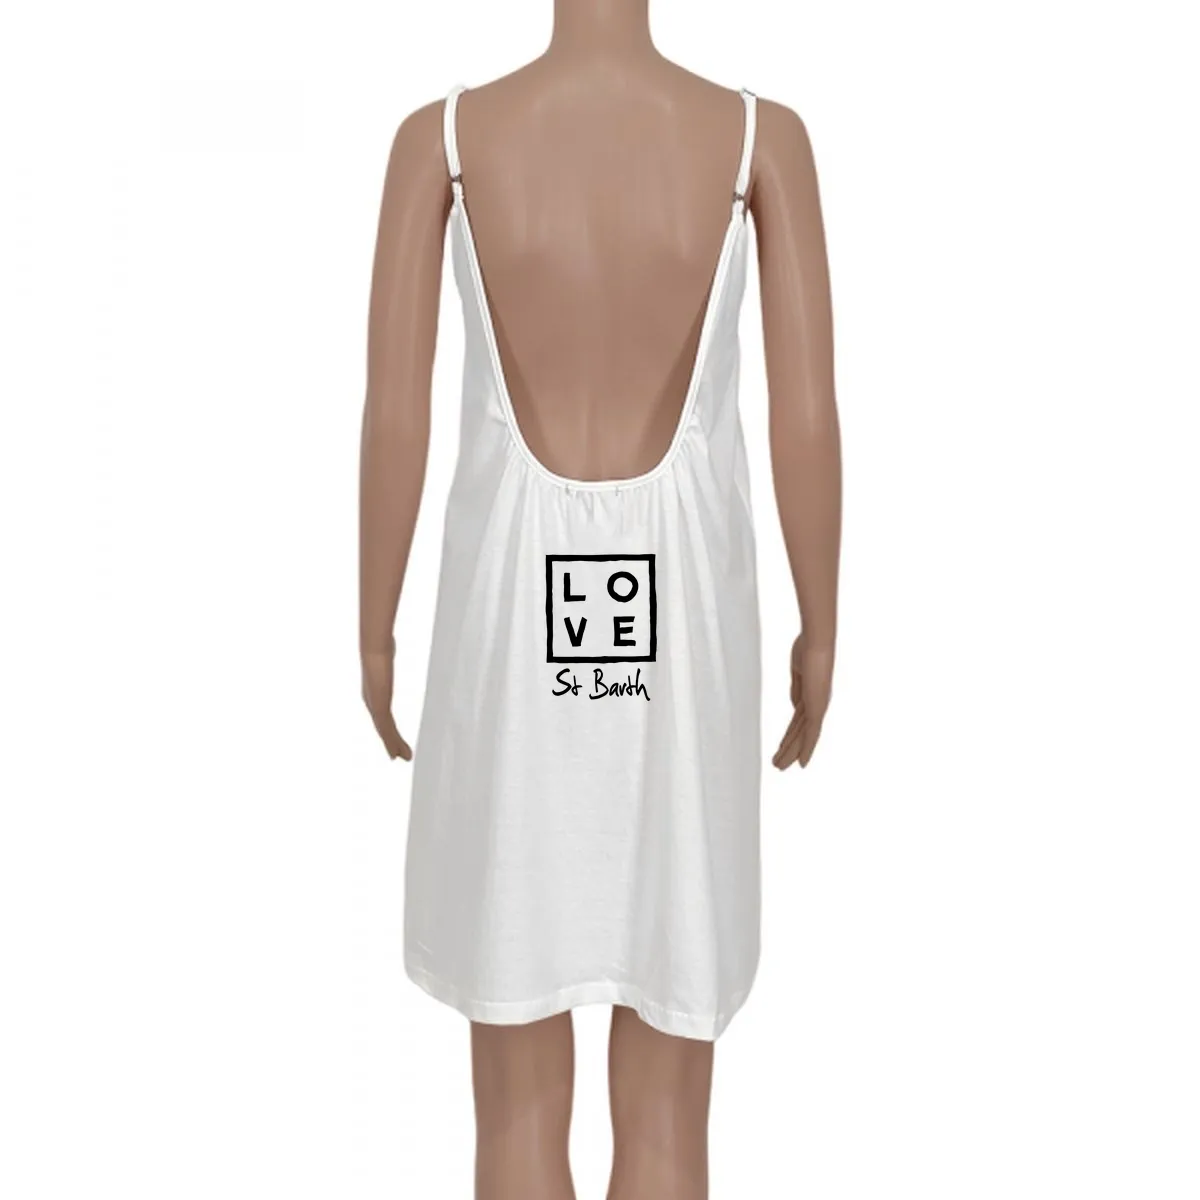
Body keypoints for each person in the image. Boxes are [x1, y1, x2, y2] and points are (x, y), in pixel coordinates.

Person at [359, 3, 841, 1195]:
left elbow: (394, 415)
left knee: (514, 1109)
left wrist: (374, 630)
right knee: (670, 1110)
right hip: (689, 648)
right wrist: (821, 628)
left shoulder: (446, 141)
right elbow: (809, 418)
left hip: (501, 646)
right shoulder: (756, 142)